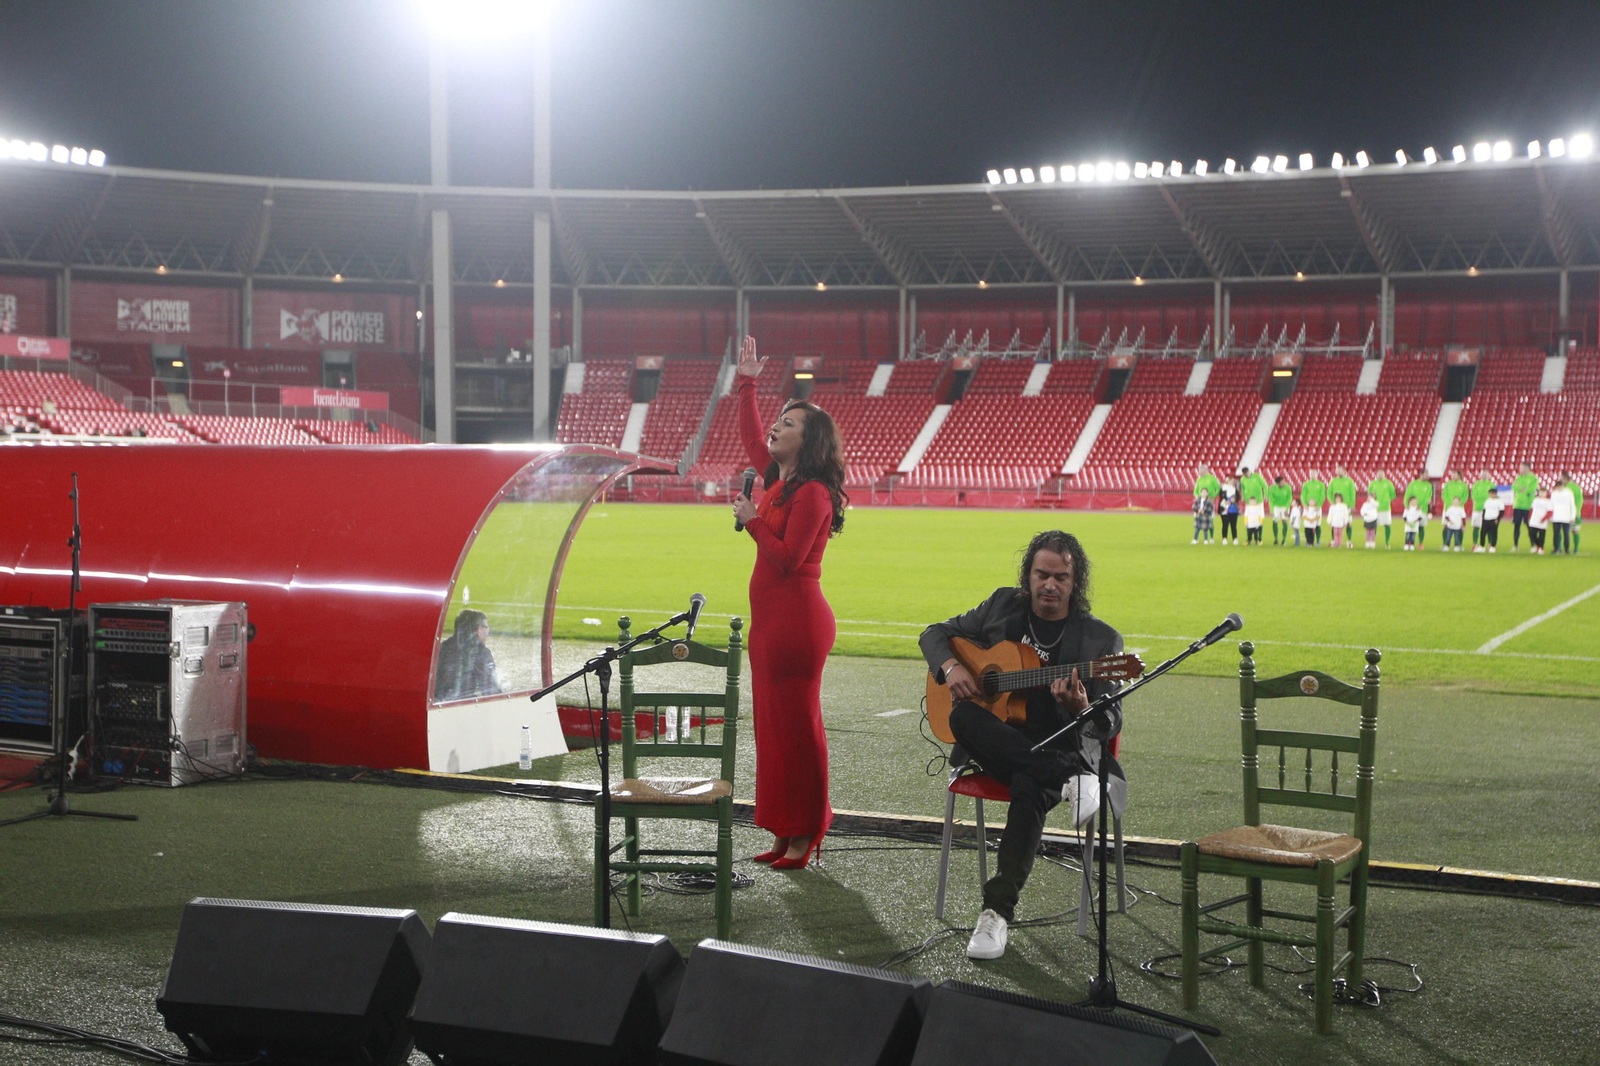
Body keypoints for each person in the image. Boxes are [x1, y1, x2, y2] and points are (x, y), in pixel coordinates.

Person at [920, 531, 1124, 961]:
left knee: (1029, 786)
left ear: (1075, 582)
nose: (1050, 585)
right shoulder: (1000, 606)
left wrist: (1081, 707)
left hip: (1060, 743)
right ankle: (1067, 780)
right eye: (1041, 574)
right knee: (961, 715)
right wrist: (952, 665)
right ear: (1027, 575)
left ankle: (995, 914)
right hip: (1003, 745)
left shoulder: (1100, 642)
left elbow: (1109, 721)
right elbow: (934, 634)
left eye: (1061, 577)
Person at [731, 336, 848, 871]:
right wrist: (748, 383)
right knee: (773, 730)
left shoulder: (814, 493)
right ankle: (783, 828)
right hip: (769, 626)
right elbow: (752, 435)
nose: (777, 427)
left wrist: (750, 518)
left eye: (790, 423)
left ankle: (807, 832)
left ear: (810, 440)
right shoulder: (780, 480)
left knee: (799, 730)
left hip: (798, 626)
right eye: (780, 419)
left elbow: (787, 559)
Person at [433, 609, 502, 702]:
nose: (488, 632)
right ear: (478, 629)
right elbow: (491, 690)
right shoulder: (481, 652)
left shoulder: (441, 648)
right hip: (462, 707)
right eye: (486, 627)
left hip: (437, 703)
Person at [1510, 462, 1538, 551]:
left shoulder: (1533, 478)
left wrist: (1522, 489)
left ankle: (1533, 545)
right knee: (1516, 526)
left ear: (1527, 468)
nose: (1520, 469)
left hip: (1528, 505)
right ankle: (1515, 545)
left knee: (1529, 526)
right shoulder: (1518, 478)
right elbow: (1514, 486)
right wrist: (1523, 489)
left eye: (1521, 467)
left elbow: (1532, 488)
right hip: (1517, 505)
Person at [1367, 469, 1397, 548]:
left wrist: (1386, 500)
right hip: (1374, 509)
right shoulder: (1372, 483)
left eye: (1381, 473)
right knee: (1373, 526)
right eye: (1378, 473)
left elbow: (1393, 494)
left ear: (1384, 474)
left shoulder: (1388, 483)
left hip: (1385, 508)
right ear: (1376, 474)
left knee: (1387, 525)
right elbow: (1369, 494)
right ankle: (1372, 542)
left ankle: (1387, 542)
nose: (1380, 475)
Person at [1328, 467, 1357, 547]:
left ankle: (1349, 540)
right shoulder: (1333, 481)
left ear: (1344, 471)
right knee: (1334, 524)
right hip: (1336, 506)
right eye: (1337, 471)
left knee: (1348, 523)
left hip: (1347, 506)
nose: (1338, 472)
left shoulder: (1350, 481)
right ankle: (1334, 540)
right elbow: (1329, 492)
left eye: (1340, 471)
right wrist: (1332, 502)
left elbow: (1353, 494)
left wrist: (1352, 505)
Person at [1403, 472, 1434, 548]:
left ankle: (1420, 543)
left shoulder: (1429, 486)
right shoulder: (1413, 484)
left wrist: (1420, 506)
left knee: (1421, 526)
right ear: (1421, 475)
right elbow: (1407, 494)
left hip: (1422, 509)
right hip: (1411, 509)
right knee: (1410, 526)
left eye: (1428, 475)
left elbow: (1428, 498)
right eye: (1426, 475)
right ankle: (1409, 543)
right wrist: (1406, 505)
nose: (1427, 476)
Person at [1550, 475, 1577, 555]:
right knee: (1556, 534)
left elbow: (1572, 505)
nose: (1559, 488)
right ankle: (1556, 548)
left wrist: (1573, 516)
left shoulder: (1568, 493)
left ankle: (1566, 549)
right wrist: (1551, 516)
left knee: (1566, 534)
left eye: (1560, 486)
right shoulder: (1554, 493)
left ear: (1563, 486)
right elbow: (1551, 505)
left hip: (1566, 517)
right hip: (1556, 517)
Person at [1470, 470, 1496, 551]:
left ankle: (1490, 544)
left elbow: (1493, 497)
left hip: (1489, 510)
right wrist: (1483, 499)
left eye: (1486, 474)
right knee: (1476, 526)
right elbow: (1474, 496)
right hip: (1478, 508)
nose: (1484, 476)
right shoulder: (1476, 484)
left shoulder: (1491, 485)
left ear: (1489, 476)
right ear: (1480, 475)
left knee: (1489, 528)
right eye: (1483, 474)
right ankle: (1474, 544)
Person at [1301, 470, 1327, 546]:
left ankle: (1318, 540)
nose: (1312, 475)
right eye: (1311, 474)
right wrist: (1305, 504)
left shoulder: (1321, 484)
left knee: (1318, 524)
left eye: (1314, 474)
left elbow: (1323, 495)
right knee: (1307, 525)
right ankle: (1308, 541)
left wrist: (1319, 505)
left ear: (1317, 474)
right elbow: (1303, 495)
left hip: (1317, 508)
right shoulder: (1306, 484)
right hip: (1308, 507)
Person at [1268, 475, 1294, 545]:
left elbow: (1289, 498)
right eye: (1282, 482)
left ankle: (1284, 540)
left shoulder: (1288, 487)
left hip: (1284, 507)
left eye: (1284, 481)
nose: (1284, 483)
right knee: (1275, 522)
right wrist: (1272, 511)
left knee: (1284, 521)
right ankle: (1276, 539)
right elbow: (1271, 500)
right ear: (1278, 483)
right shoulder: (1272, 488)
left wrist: (1287, 508)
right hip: (1276, 507)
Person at [1528, 487, 1552, 555]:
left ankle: (1541, 547)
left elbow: (1550, 512)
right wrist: (1530, 517)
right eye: (1541, 492)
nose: (1542, 494)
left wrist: (1544, 519)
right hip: (1534, 520)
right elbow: (1532, 509)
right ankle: (1538, 546)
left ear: (1546, 493)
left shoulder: (1548, 502)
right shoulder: (1535, 500)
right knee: (1532, 534)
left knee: (1542, 535)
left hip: (1542, 521)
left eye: (1543, 492)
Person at [1218, 479, 1241, 545]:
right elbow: (1221, 496)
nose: (1231, 483)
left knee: (1233, 525)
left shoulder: (1235, 490)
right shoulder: (1223, 489)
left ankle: (1235, 538)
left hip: (1234, 510)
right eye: (1230, 481)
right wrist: (1225, 501)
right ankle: (1224, 538)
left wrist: (1234, 500)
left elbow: (1238, 497)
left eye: (1232, 482)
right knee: (1225, 524)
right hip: (1225, 509)